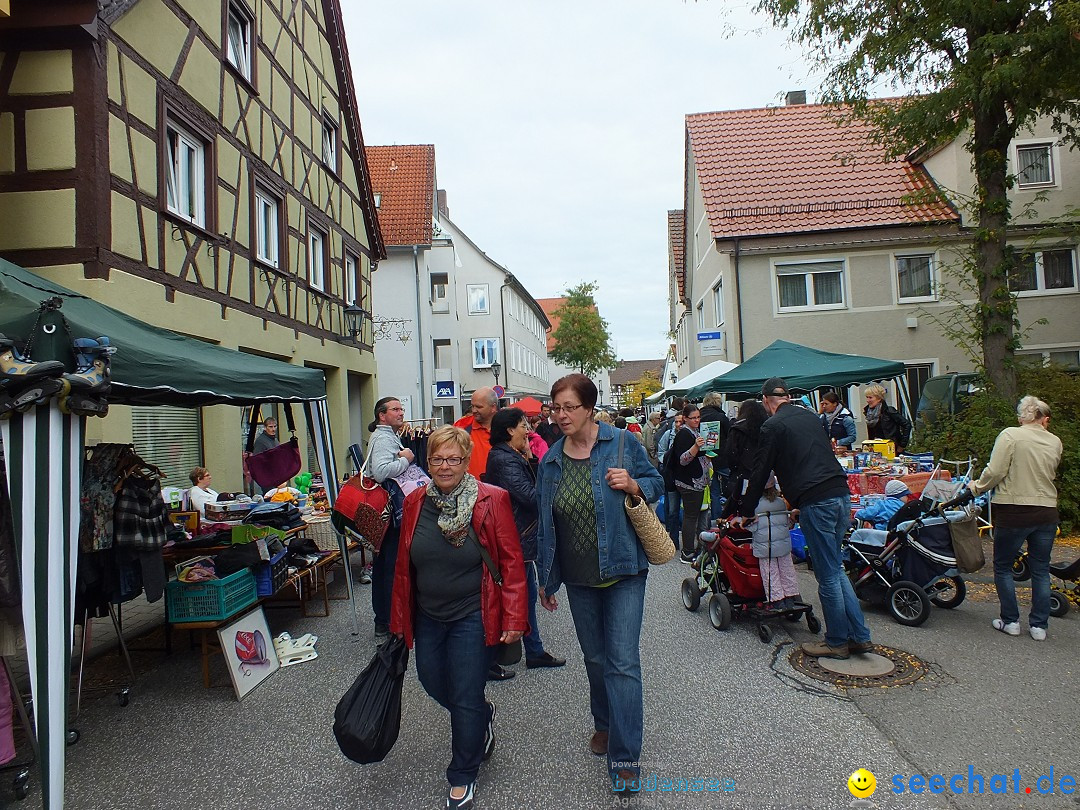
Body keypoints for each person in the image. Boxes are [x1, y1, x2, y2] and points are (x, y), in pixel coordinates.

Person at [535, 374, 664, 794]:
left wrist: (634, 485)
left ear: (589, 408)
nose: (561, 415)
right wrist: (545, 579)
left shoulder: (623, 444)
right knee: (595, 659)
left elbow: (657, 483)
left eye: (569, 407)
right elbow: (545, 523)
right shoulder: (551, 460)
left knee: (622, 662)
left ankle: (625, 758)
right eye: (556, 407)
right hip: (578, 578)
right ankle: (604, 724)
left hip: (625, 570)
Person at [390, 426, 528, 810]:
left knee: (465, 693)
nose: (445, 466)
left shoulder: (491, 499)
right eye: (437, 458)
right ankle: (480, 717)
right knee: (433, 681)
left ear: (466, 462)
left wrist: (514, 617)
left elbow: (512, 563)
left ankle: (462, 774)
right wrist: (399, 620)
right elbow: (404, 567)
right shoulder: (416, 500)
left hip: (473, 611)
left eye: (453, 459)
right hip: (429, 613)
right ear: (428, 461)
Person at [731, 377, 872, 661]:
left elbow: (760, 472)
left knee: (827, 573)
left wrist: (746, 512)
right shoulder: (810, 417)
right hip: (840, 495)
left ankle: (836, 642)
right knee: (835, 568)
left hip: (817, 501)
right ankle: (859, 636)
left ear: (765, 400)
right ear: (787, 397)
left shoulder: (772, 426)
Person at [967, 395, 1062, 641]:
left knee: (1003, 566)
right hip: (1047, 508)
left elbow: (996, 470)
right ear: (1044, 419)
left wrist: (977, 487)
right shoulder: (1054, 441)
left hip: (1013, 509)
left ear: (1022, 417)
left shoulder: (1010, 435)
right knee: (1040, 569)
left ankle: (1010, 621)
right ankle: (1039, 626)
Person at [484, 408, 565, 670]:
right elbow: (530, 496)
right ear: (509, 430)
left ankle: (533, 650)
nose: (527, 430)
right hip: (515, 537)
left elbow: (530, 484)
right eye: (523, 425)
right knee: (516, 597)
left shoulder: (512, 455)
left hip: (519, 536)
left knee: (525, 595)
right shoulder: (503, 459)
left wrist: (530, 458)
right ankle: (492, 658)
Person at [366, 397, 415, 647]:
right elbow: (381, 471)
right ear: (381, 415)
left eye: (401, 408)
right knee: (388, 566)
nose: (400, 412)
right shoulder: (384, 437)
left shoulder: (387, 435)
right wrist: (406, 458)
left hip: (386, 512)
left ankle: (386, 620)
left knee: (386, 565)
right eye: (395, 409)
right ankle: (385, 622)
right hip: (387, 512)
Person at [748, 474, 801, 609]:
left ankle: (777, 599)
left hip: (766, 548)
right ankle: (790, 597)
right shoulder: (781, 503)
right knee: (787, 571)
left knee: (771, 573)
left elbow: (752, 527)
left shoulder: (755, 506)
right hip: (783, 546)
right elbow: (787, 524)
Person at [667, 404, 709, 564]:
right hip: (689, 481)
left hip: (696, 479)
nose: (697, 420)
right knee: (691, 517)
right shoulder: (684, 434)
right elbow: (683, 460)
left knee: (695, 515)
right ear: (685, 418)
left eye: (698, 417)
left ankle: (694, 548)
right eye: (693, 418)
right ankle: (687, 552)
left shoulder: (694, 432)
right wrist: (696, 446)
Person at [719, 399, 768, 518]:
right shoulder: (766, 427)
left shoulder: (737, 429)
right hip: (765, 473)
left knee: (741, 510)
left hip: (742, 475)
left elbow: (731, 454)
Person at [699, 392, 731, 519]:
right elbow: (730, 435)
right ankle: (729, 515)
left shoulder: (699, 416)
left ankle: (715, 517)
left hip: (706, 458)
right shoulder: (721, 417)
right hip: (723, 458)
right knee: (732, 486)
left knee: (714, 492)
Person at [455, 388, 499, 480]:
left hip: (500, 489)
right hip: (470, 490)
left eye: (479, 407)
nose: (474, 410)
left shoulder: (507, 426)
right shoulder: (461, 426)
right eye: (472, 406)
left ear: (493, 407)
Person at [657, 412, 684, 546]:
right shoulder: (668, 435)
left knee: (690, 511)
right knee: (673, 509)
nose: (678, 424)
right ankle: (674, 539)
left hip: (686, 479)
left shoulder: (690, 436)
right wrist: (667, 463)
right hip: (672, 478)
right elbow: (660, 452)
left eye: (681, 421)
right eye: (677, 422)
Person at [863, 384, 911, 452]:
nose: (867, 400)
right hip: (875, 447)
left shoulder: (889, 411)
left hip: (892, 448)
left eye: (870, 397)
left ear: (879, 398)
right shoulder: (868, 413)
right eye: (867, 397)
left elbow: (907, 424)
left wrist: (902, 445)